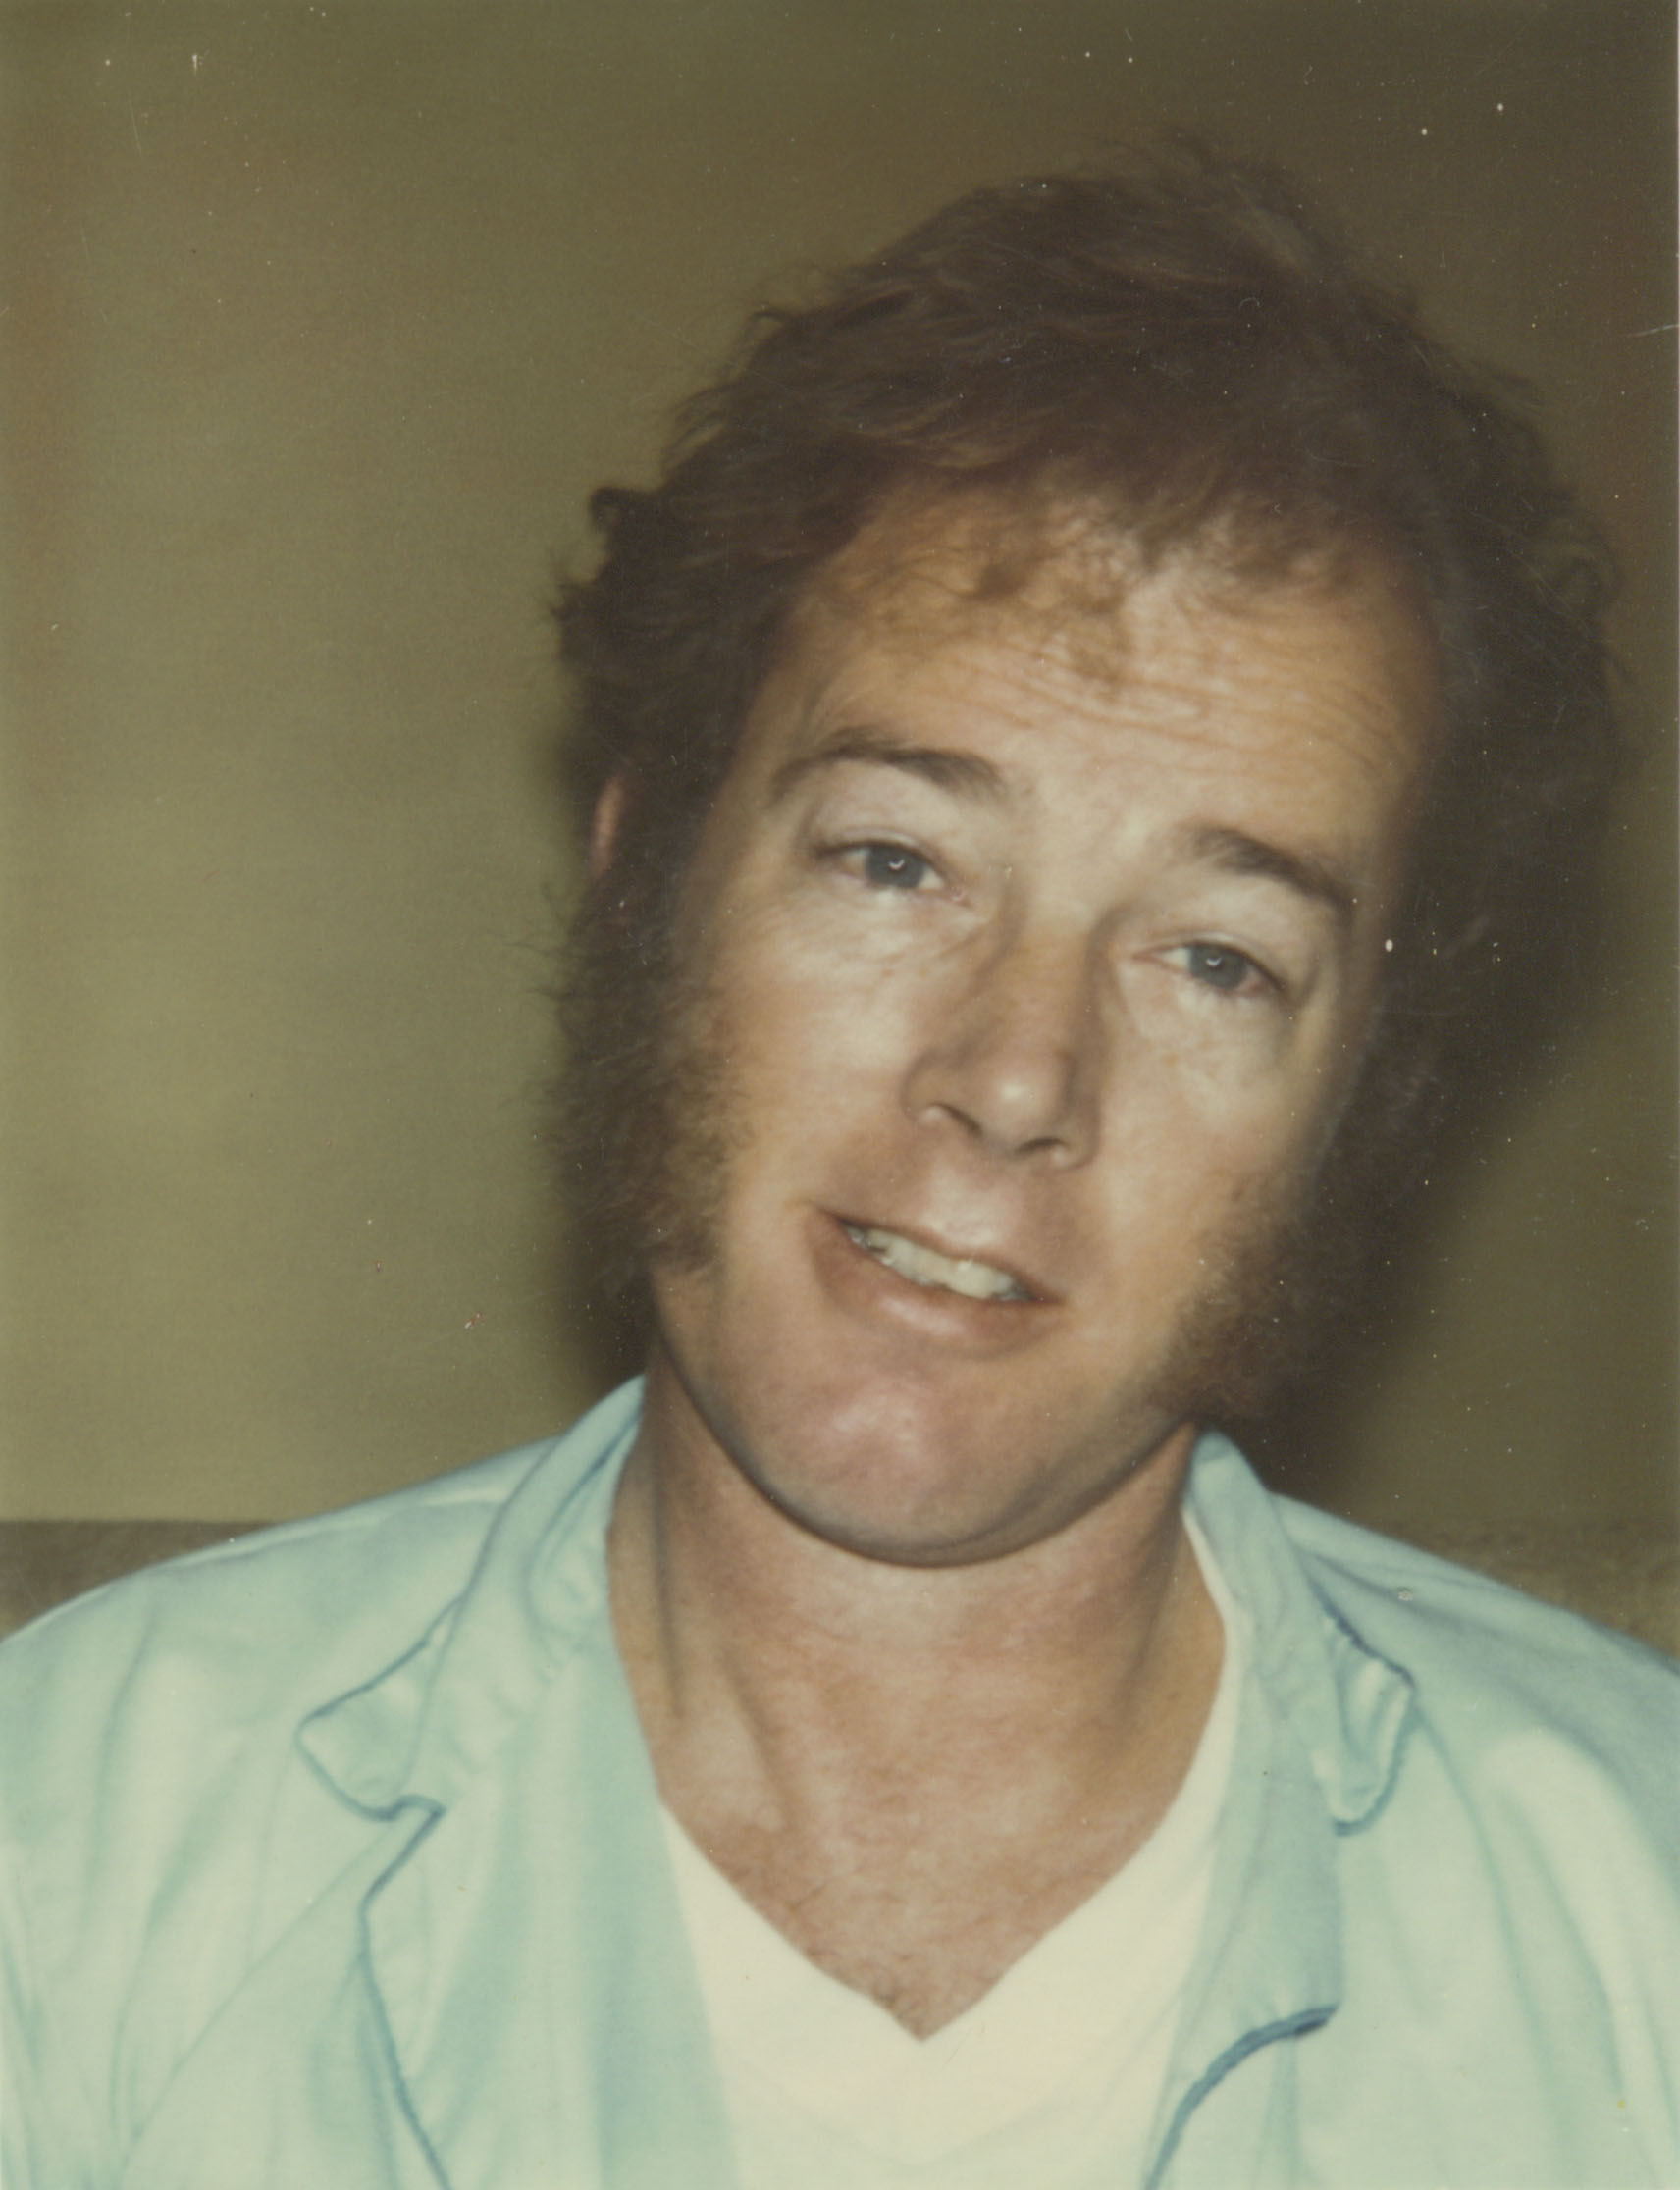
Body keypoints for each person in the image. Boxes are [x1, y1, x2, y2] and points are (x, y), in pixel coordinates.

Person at [2, 149, 1675, 2190]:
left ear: (1359, 1119)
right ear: (645, 892)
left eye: (1217, 959)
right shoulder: (72, 1844)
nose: (1015, 1073)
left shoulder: (1638, 1908)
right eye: (896, 860)